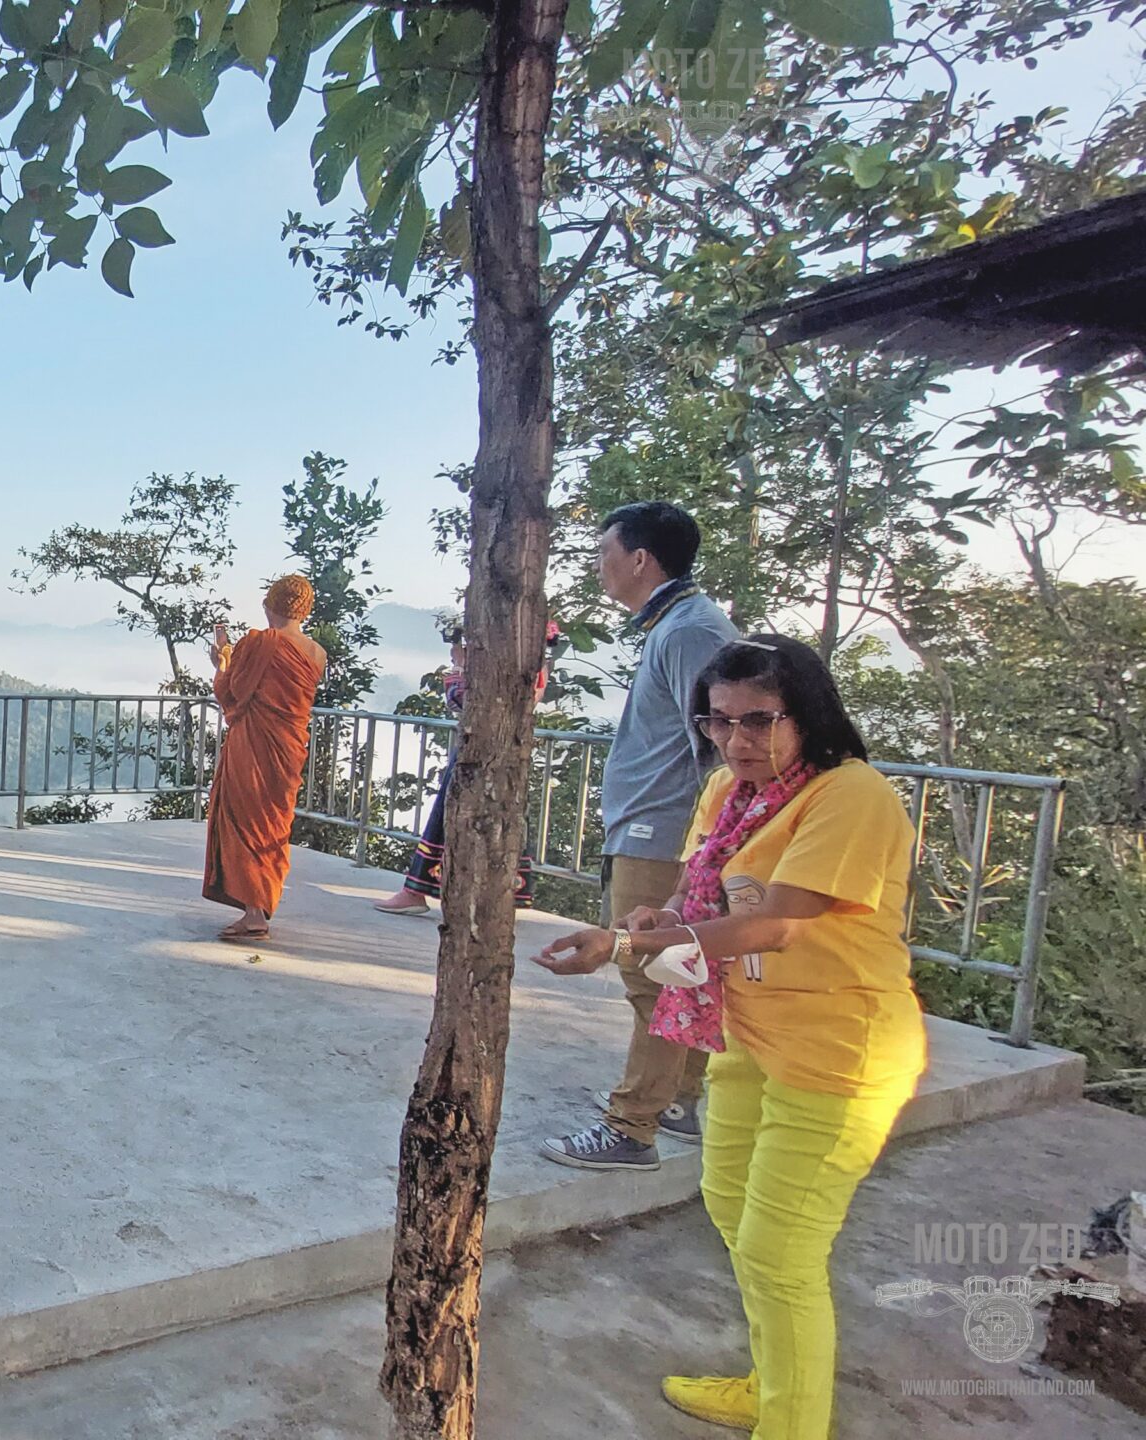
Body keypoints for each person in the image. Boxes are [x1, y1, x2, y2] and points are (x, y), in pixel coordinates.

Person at [533, 635, 922, 1440]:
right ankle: (773, 1385)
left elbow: (774, 925)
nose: (737, 741)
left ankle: (792, 1424)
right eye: (717, 722)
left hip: (840, 1055)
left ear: (807, 715)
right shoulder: (726, 792)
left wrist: (629, 946)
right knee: (733, 1209)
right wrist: (647, 921)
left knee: (782, 1253)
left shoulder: (850, 797)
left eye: (758, 721)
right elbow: (698, 900)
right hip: (747, 1036)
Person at [544, 500, 742, 1171]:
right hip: (651, 824)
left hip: (665, 831)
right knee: (668, 971)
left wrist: (708, 842)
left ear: (639, 559)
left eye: (605, 552)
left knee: (651, 973)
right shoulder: (676, 625)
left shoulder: (691, 632)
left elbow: (724, 742)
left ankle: (633, 1126)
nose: (599, 566)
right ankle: (680, 1100)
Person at [376, 620, 564, 916]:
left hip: (479, 748)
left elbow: (468, 702)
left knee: (448, 817)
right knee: (499, 821)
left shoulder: (504, 668)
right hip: (508, 750)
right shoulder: (535, 667)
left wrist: (458, 674)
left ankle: (417, 890)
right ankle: (494, 897)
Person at [201, 574, 328, 941]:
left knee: (244, 820)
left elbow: (231, 694)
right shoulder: (317, 653)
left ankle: (255, 913)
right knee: (272, 822)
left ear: (269, 604)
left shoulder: (257, 644)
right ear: (305, 609)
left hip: (252, 747)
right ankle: (256, 904)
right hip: (288, 750)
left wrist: (221, 663)